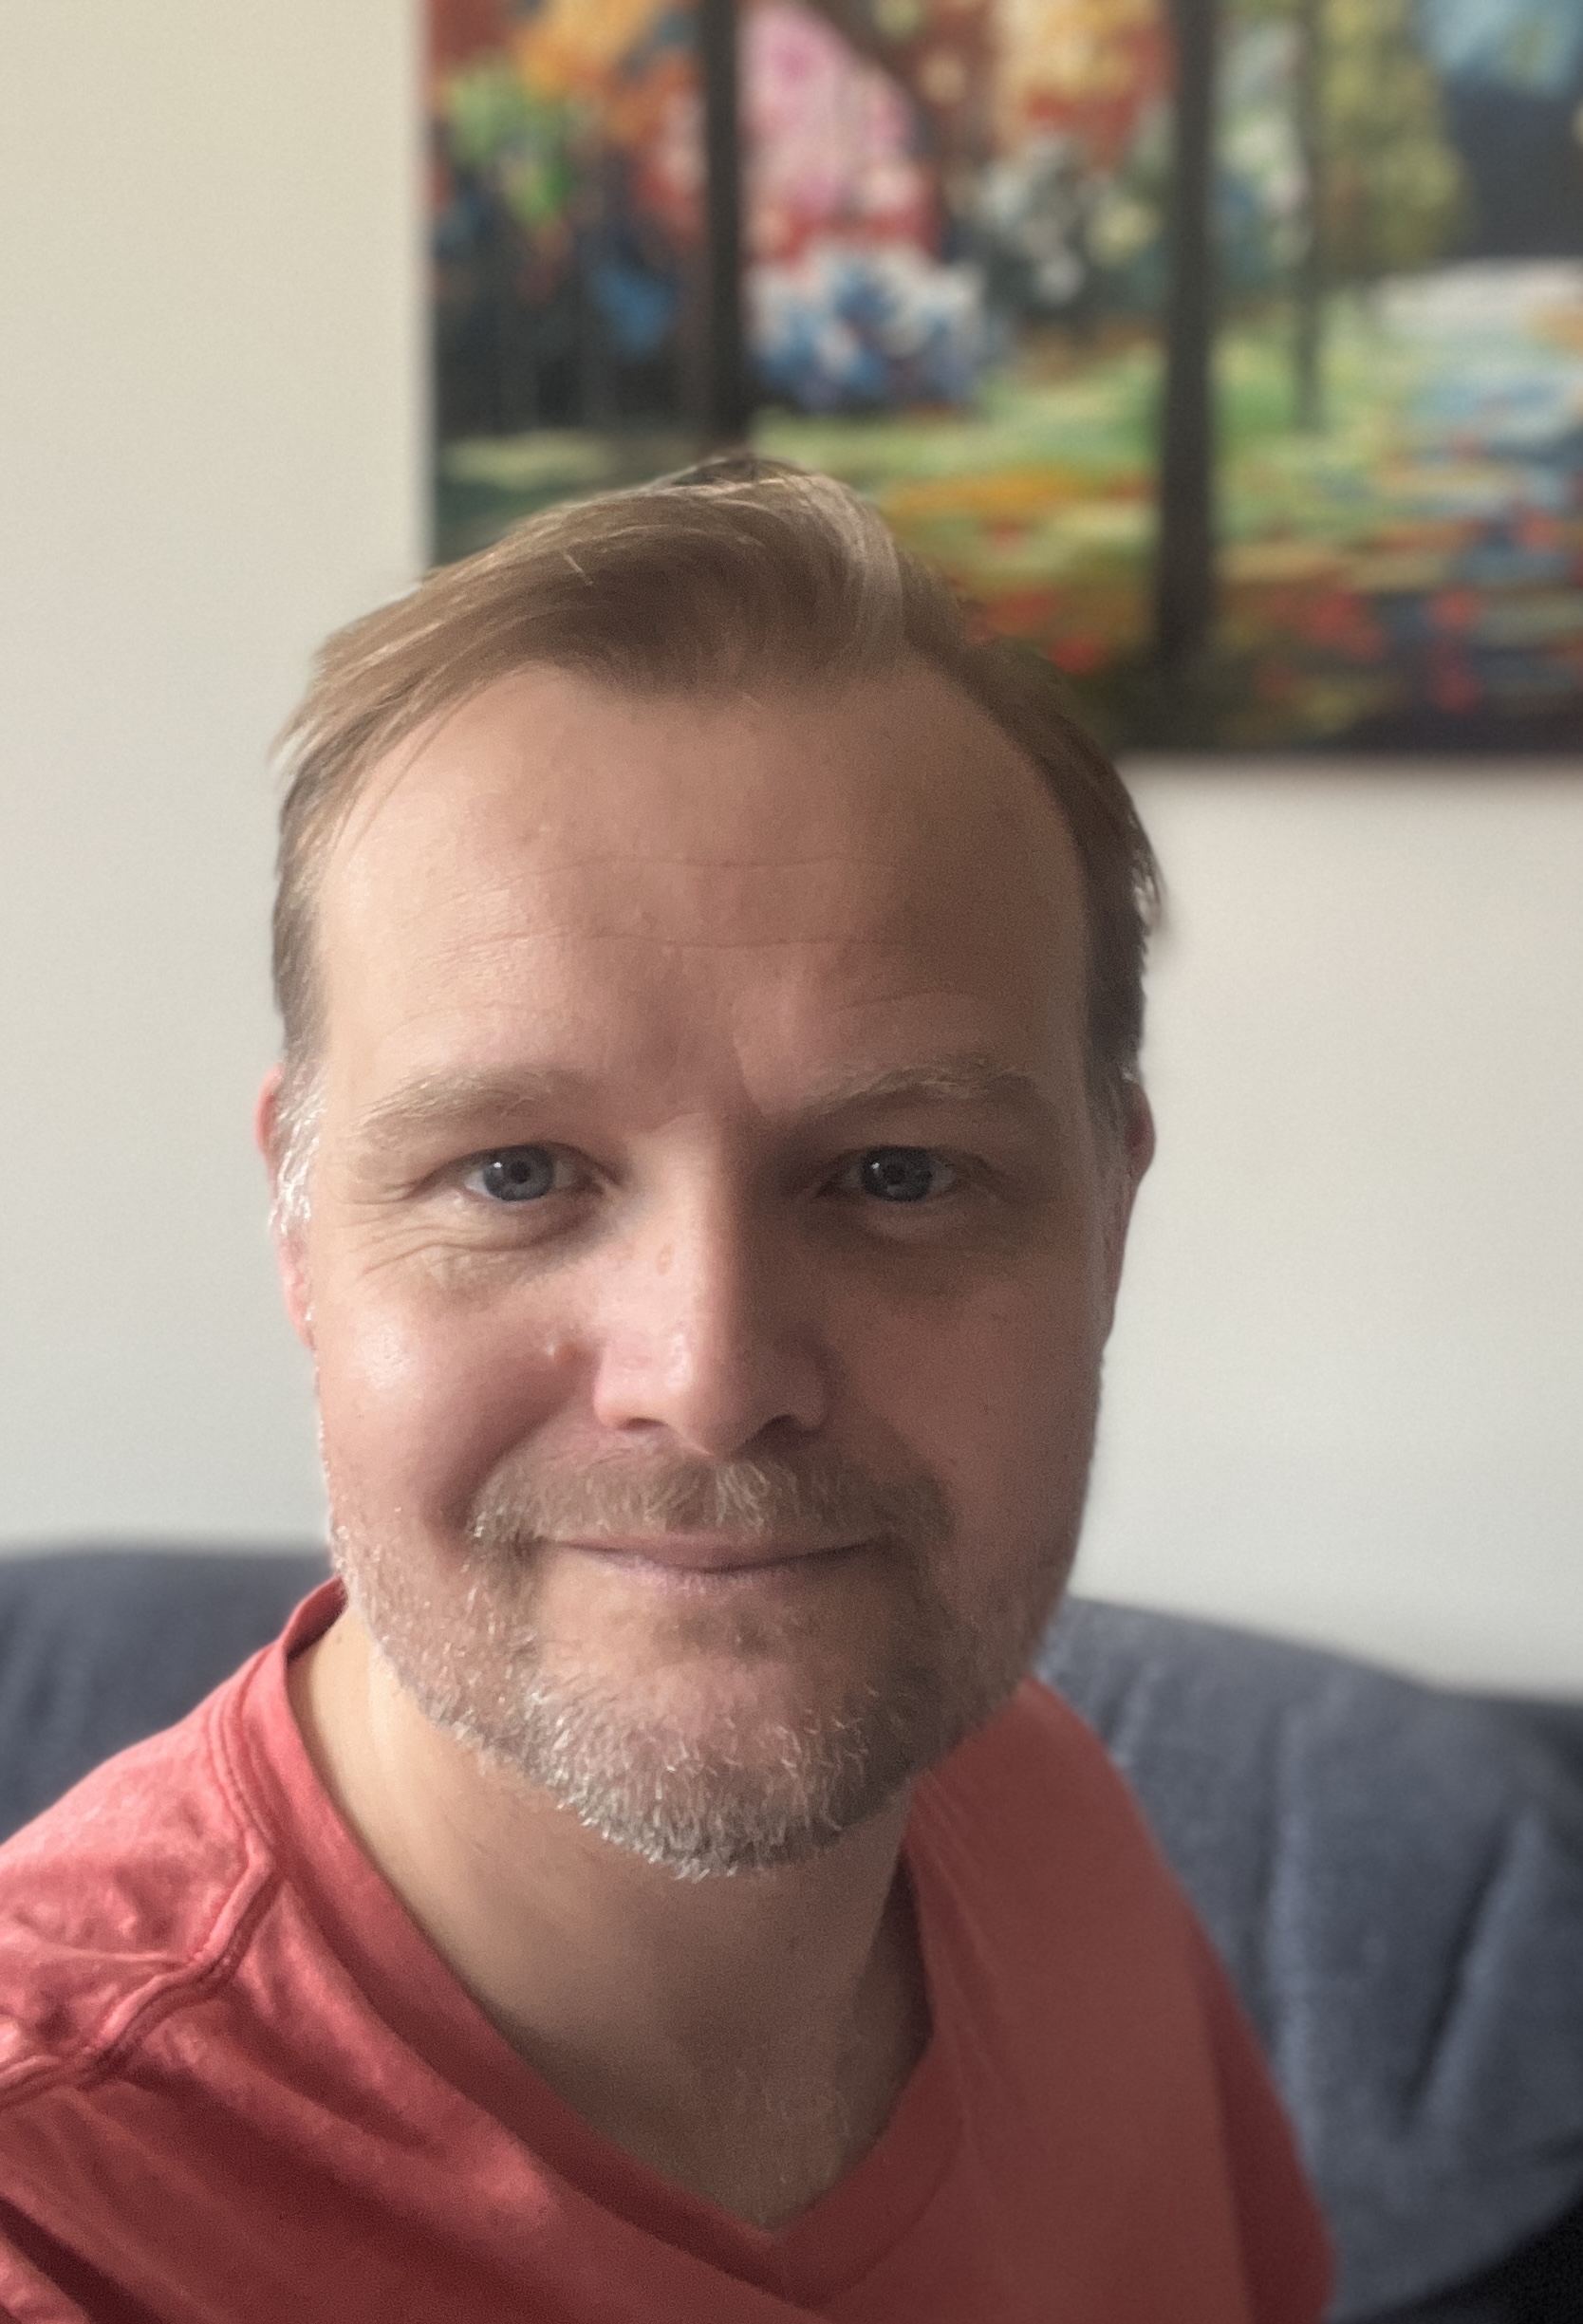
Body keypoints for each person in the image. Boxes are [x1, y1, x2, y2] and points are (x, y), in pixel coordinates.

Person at [0, 461, 1331, 2322]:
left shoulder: (1044, 1811)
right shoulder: (65, 2219)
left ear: (1110, 1219)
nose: (710, 1382)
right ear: (300, 1224)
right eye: (516, 1174)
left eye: (899, 1175)